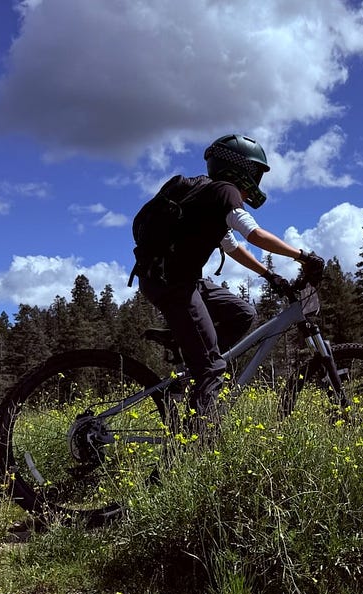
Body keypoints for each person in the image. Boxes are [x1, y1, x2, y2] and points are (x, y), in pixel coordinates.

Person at [131, 133, 324, 414]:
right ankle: (199, 441)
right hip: (173, 284)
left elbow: (232, 247)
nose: (256, 181)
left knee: (243, 313)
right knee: (212, 367)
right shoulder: (224, 190)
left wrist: (269, 276)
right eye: (256, 171)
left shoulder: (206, 196)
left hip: (178, 279)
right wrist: (302, 256)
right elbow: (254, 234)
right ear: (241, 168)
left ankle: (189, 360)